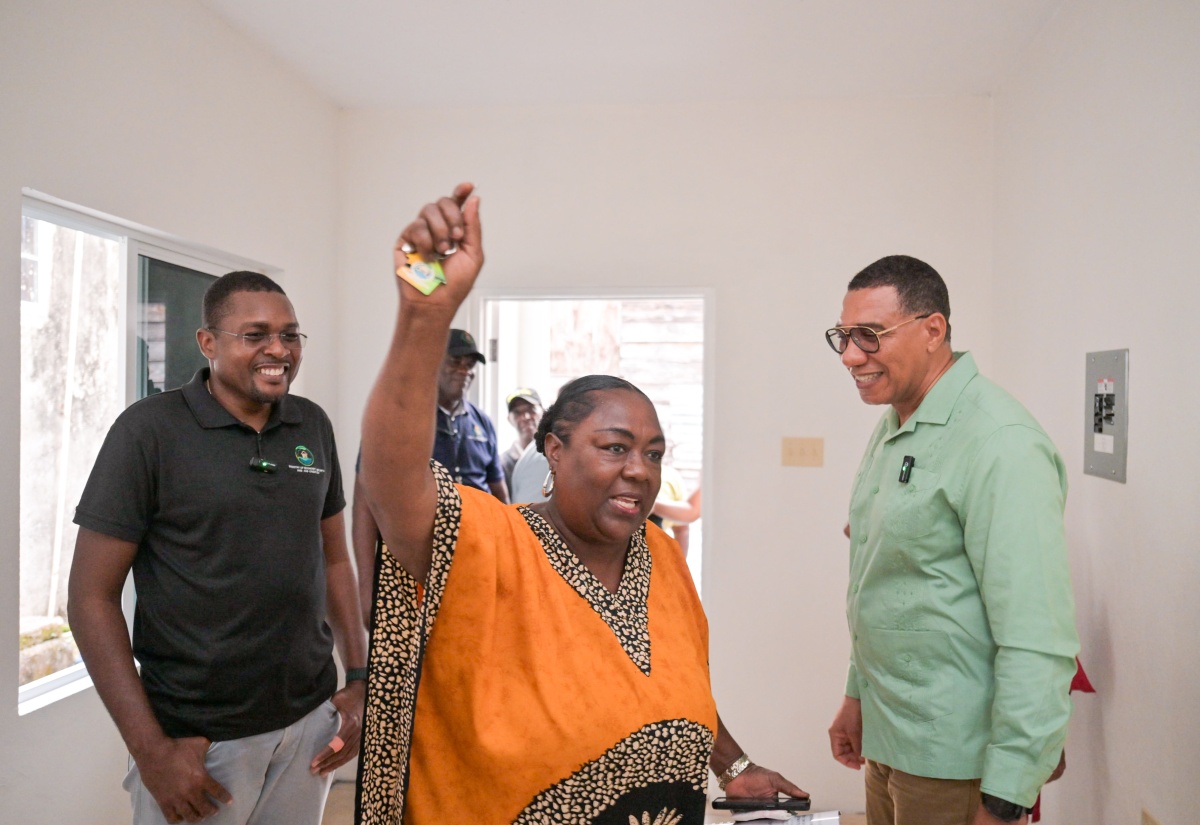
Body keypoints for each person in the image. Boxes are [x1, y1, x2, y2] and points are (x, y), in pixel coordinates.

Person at [354, 183, 807, 824]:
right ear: (554, 451)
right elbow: (390, 473)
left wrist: (733, 766)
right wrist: (424, 314)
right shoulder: (492, 543)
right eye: (615, 447)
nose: (639, 471)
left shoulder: (656, 552)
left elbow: (679, 685)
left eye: (653, 453)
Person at [67, 271, 367, 825]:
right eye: (255, 335)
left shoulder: (311, 425)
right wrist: (151, 750)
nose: (278, 349)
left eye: (290, 334)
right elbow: (91, 598)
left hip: (309, 726)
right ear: (208, 343)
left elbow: (333, 559)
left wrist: (357, 677)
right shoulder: (148, 432)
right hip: (200, 742)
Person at [824, 255, 1079, 825]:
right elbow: (885, 577)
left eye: (869, 336)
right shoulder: (895, 424)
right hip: (891, 739)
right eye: (843, 336)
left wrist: (1009, 794)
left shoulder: (999, 442)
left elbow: (1038, 635)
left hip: (957, 759)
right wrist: (856, 694)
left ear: (932, 330)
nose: (850, 355)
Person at [352, 329, 508, 625]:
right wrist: (365, 586)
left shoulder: (481, 422)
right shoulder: (398, 421)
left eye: (469, 365)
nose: (464, 372)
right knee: (413, 659)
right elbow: (364, 506)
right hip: (411, 562)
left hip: (474, 562)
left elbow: (501, 498)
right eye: (454, 363)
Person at [501, 386, 543, 489]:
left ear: (543, 411)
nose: (526, 417)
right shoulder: (503, 464)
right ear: (509, 419)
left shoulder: (554, 455)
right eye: (517, 413)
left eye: (531, 409)